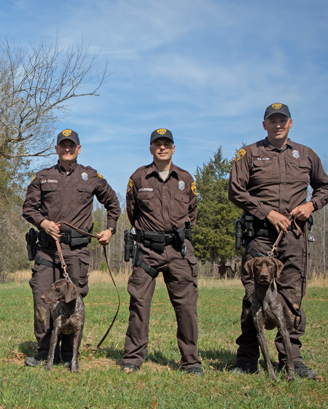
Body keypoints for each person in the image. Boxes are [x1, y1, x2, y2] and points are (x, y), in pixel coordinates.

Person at [228, 102, 328, 379]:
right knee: (253, 297)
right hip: (260, 236)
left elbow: (325, 187)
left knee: (292, 298)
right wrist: (267, 212)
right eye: (272, 120)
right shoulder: (249, 154)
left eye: (282, 120)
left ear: (290, 123)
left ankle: (292, 360)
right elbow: (235, 191)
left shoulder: (307, 155)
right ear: (264, 124)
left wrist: (311, 206)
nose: (277, 124)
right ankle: (247, 359)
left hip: (294, 237)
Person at [22, 129, 120, 367]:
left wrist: (110, 229)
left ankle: (68, 355)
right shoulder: (43, 177)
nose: (67, 149)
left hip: (77, 253)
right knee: (42, 300)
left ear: (78, 149)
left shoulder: (91, 176)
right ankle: (45, 352)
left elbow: (113, 204)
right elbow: (28, 208)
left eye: (71, 146)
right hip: (46, 250)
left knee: (73, 302)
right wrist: (43, 223)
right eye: (62, 146)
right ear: (56, 149)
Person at [120, 128, 202, 375]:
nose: (162, 148)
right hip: (147, 249)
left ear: (174, 148)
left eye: (167, 144)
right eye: (157, 144)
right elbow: (132, 212)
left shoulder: (186, 179)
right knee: (139, 303)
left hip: (179, 251)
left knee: (186, 307)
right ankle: (132, 359)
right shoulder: (139, 178)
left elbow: (193, 213)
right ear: (151, 148)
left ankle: (190, 362)